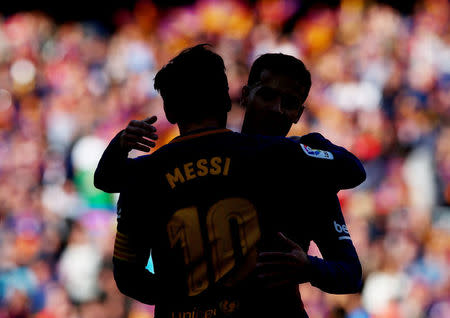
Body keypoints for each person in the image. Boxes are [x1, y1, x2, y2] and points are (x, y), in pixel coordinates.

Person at [102, 44, 362, 318]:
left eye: (289, 103)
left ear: (169, 110)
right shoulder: (297, 162)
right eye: (268, 96)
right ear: (237, 98)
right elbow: (354, 171)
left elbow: (127, 274)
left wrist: (182, 297)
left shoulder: (144, 175)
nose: (277, 110)